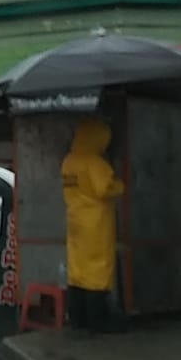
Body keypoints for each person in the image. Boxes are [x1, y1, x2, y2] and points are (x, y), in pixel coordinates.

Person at [61, 117, 126, 333]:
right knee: (97, 272)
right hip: (95, 224)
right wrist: (120, 185)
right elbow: (104, 189)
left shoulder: (69, 161)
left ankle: (78, 320)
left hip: (74, 219)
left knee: (77, 271)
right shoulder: (95, 163)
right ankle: (97, 322)